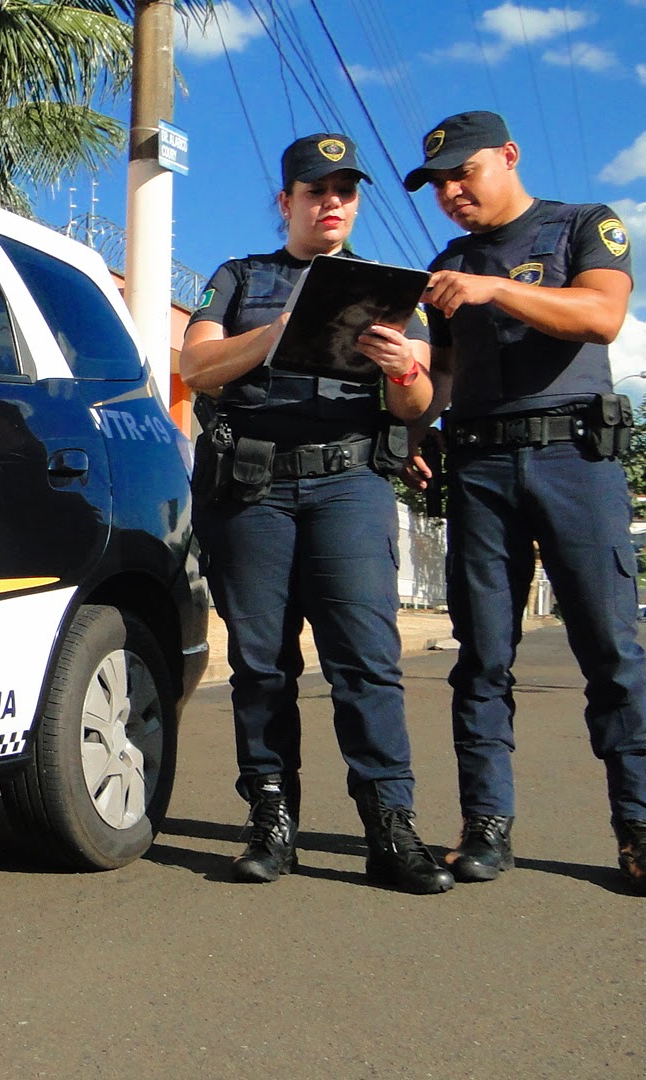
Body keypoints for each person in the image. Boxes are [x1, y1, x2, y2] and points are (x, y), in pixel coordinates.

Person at [403, 110, 646, 896]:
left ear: (509, 156)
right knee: (482, 659)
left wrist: (493, 288)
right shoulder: (447, 263)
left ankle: (642, 833)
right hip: (483, 467)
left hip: (575, 460)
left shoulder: (581, 226)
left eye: (465, 172)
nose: (452, 192)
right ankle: (486, 828)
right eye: (438, 184)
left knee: (611, 654)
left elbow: (601, 315)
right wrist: (417, 420)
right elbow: (448, 378)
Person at [180, 133, 453, 894]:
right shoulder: (241, 277)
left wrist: (404, 371)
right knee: (261, 664)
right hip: (255, 490)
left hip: (349, 486)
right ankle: (272, 820)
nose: (331, 204)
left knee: (366, 661)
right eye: (315, 191)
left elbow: (417, 401)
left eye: (344, 192)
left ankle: (389, 827)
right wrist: (280, 331)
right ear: (287, 202)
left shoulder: (391, 288)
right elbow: (195, 365)